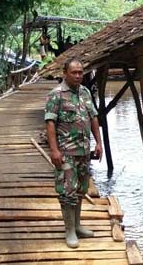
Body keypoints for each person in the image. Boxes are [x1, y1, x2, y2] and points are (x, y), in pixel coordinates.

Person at [44, 57, 103, 248]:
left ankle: (77, 226)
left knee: (80, 190)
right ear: (65, 73)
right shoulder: (57, 95)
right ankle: (69, 231)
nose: (78, 76)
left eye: (80, 72)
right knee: (67, 192)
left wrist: (99, 143)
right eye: (74, 72)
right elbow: (50, 123)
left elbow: (93, 117)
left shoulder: (85, 92)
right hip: (65, 151)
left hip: (84, 151)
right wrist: (54, 150)